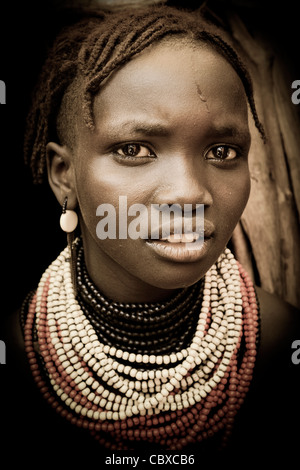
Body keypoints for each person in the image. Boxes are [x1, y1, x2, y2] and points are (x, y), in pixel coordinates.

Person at [2, 2, 299, 463]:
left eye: (222, 151)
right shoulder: (18, 355)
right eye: (134, 148)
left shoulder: (280, 343)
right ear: (64, 175)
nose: (188, 194)